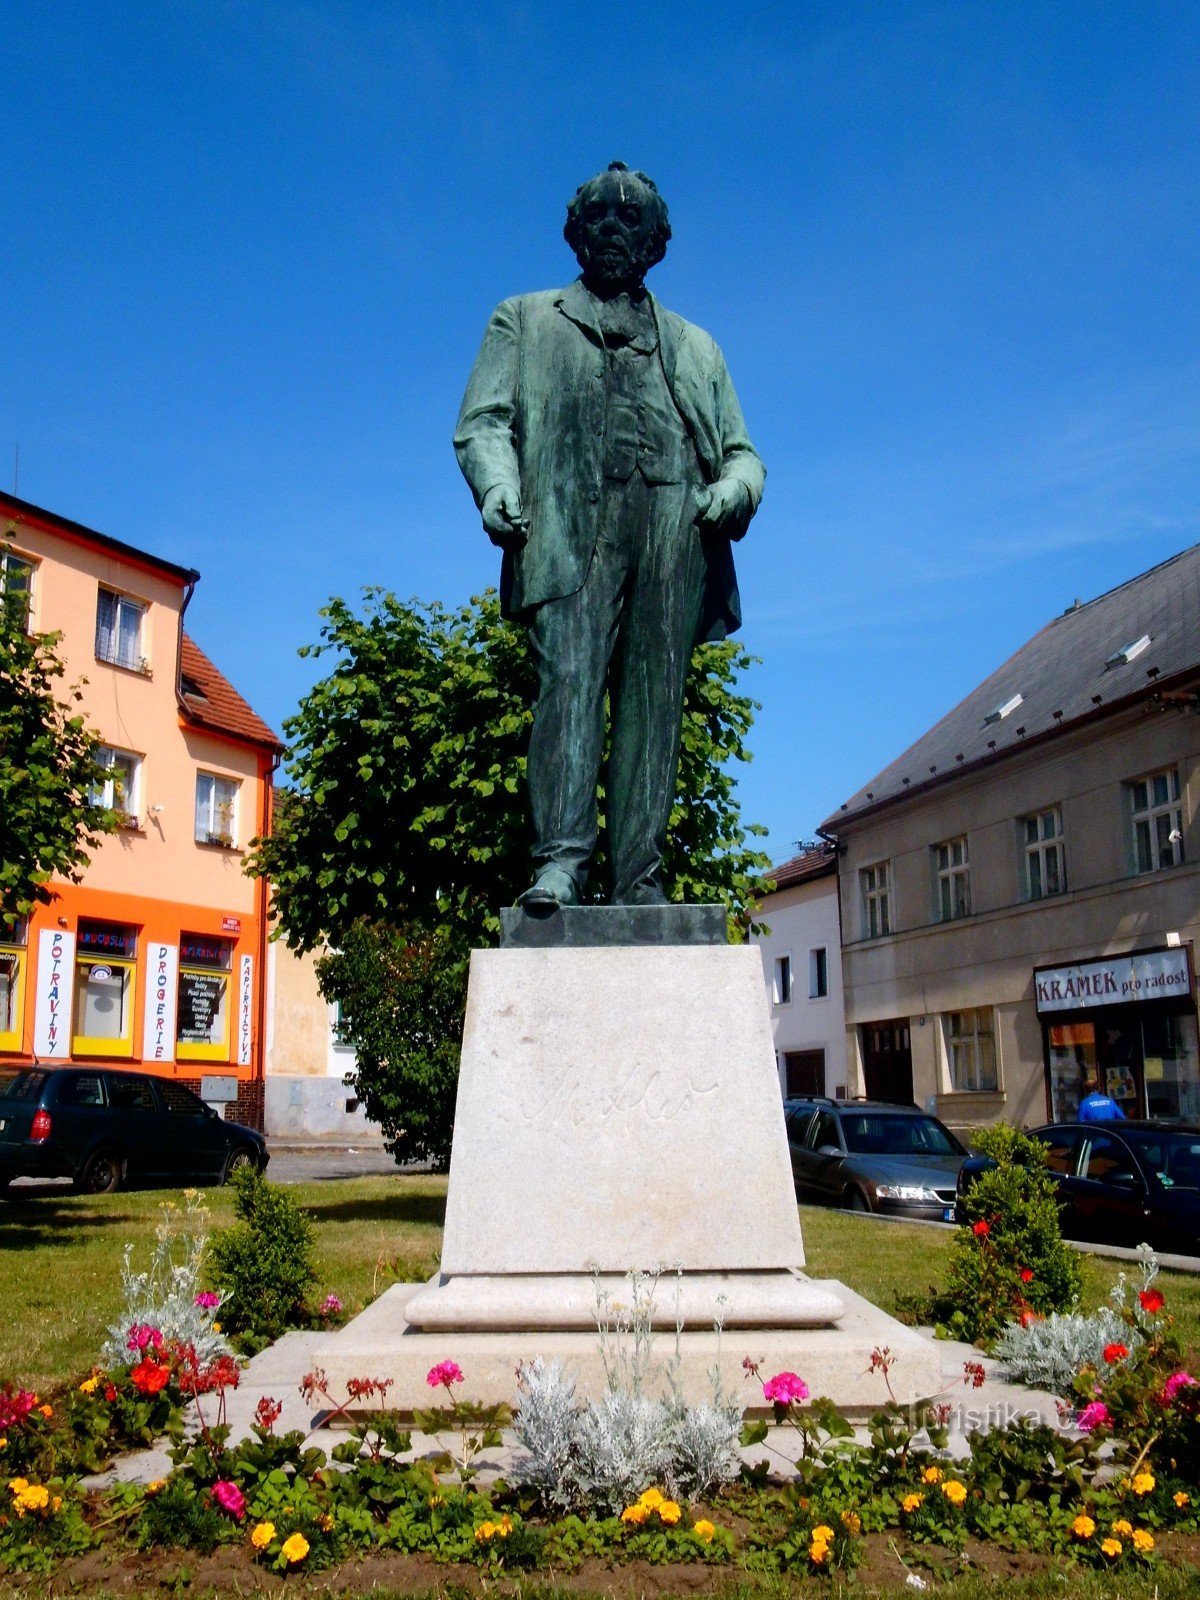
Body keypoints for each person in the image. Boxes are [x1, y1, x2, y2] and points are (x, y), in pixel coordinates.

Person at [454, 162, 765, 908]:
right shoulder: (524, 319)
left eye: (632, 221)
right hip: (570, 527)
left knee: (654, 704)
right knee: (568, 686)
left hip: (674, 526)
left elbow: (742, 454)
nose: (613, 230)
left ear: (657, 242)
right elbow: (484, 424)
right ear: (574, 232)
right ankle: (559, 862)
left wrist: (733, 490)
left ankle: (641, 877)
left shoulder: (697, 347)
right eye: (599, 217)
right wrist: (498, 487)